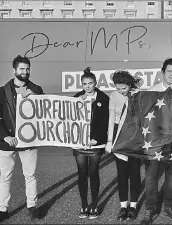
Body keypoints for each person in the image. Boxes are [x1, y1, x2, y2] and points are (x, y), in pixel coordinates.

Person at [0, 55, 44, 224]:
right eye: (21, 69)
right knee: (5, 177)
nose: (25, 72)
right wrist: (6, 136)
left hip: (29, 141)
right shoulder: (2, 90)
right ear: (14, 70)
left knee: (31, 175)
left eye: (27, 69)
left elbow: (44, 113)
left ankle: (32, 207)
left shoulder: (36, 89)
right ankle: (2, 210)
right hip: (7, 143)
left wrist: (34, 97)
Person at [141, 58, 172, 225]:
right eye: (169, 71)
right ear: (162, 72)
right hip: (155, 142)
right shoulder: (152, 91)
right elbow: (145, 117)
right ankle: (149, 210)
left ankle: (169, 205)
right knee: (151, 176)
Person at [72, 67, 109, 219]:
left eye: (90, 83)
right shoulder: (76, 98)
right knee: (82, 174)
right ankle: (83, 205)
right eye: (85, 83)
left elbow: (105, 122)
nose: (87, 86)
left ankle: (94, 206)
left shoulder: (103, 98)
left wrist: (97, 138)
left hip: (96, 144)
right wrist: (75, 103)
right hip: (79, 144)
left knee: (93, 173)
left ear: (95, 83)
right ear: (82, 84)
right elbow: (69, 120)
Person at [105, 70, 141, 221]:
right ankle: (123, 207)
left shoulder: (138, 95)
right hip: (119, 140)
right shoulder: (113, 96)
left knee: (134, 174)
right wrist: (109, 140)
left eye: (123, 88)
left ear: (129, 85)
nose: (120, 91)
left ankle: (133, 206)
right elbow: (111, 119)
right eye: (118, 88)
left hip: (135, 141)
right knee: (122, 175)